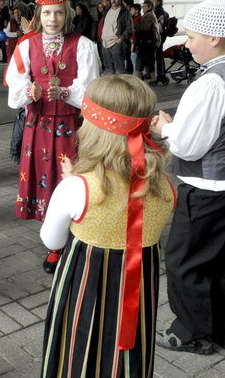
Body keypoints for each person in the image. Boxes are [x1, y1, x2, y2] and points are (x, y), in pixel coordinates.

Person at [41, 75, 174, 377]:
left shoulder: (78, 187)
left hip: (83, 285)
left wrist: (70, 184)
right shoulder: (164, 188)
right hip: (138, 289)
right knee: (130, 356)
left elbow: (51, 239)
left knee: (76, 350)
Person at [152, 0, 225, 355]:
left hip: (207, 187)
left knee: (184, 260)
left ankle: (192, 332)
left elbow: (189, 146)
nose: (186, 43)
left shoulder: (210, 82)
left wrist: (167, 128)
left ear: (214, 38)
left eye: (191, 36)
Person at [5, 0, 100, 273]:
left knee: (73, 179)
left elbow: (91, 89)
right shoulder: (25, 46)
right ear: (38, 14)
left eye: (59, 12)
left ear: (68, 14)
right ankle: (55, 245)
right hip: (39, 126)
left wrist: (67, 93)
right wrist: (30, 92)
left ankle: (79, 237)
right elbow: (14, 88)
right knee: (48, 179)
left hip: (73, 125)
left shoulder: (83, 45)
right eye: (47, 12)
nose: (52, 18)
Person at [98, 0, 133, 75]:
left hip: (116, 42)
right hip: (105, 42)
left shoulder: (125, 12)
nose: (113, 1)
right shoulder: (107, 11)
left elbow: (129, 28)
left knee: (119, 69)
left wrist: (122, 38)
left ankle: (120, 87)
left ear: (120, 0)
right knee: (108, 68)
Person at [135, 0, 161, 84]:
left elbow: (144, 29)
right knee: (150, 61)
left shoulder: (148, 16)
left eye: (144, 6)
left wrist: (136, 25)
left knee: (140, 61)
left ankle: (138, 79)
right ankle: (153, 79)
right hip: (151, 42)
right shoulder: (150, 15)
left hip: (146, 42)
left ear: (149, 7)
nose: (143, 8)